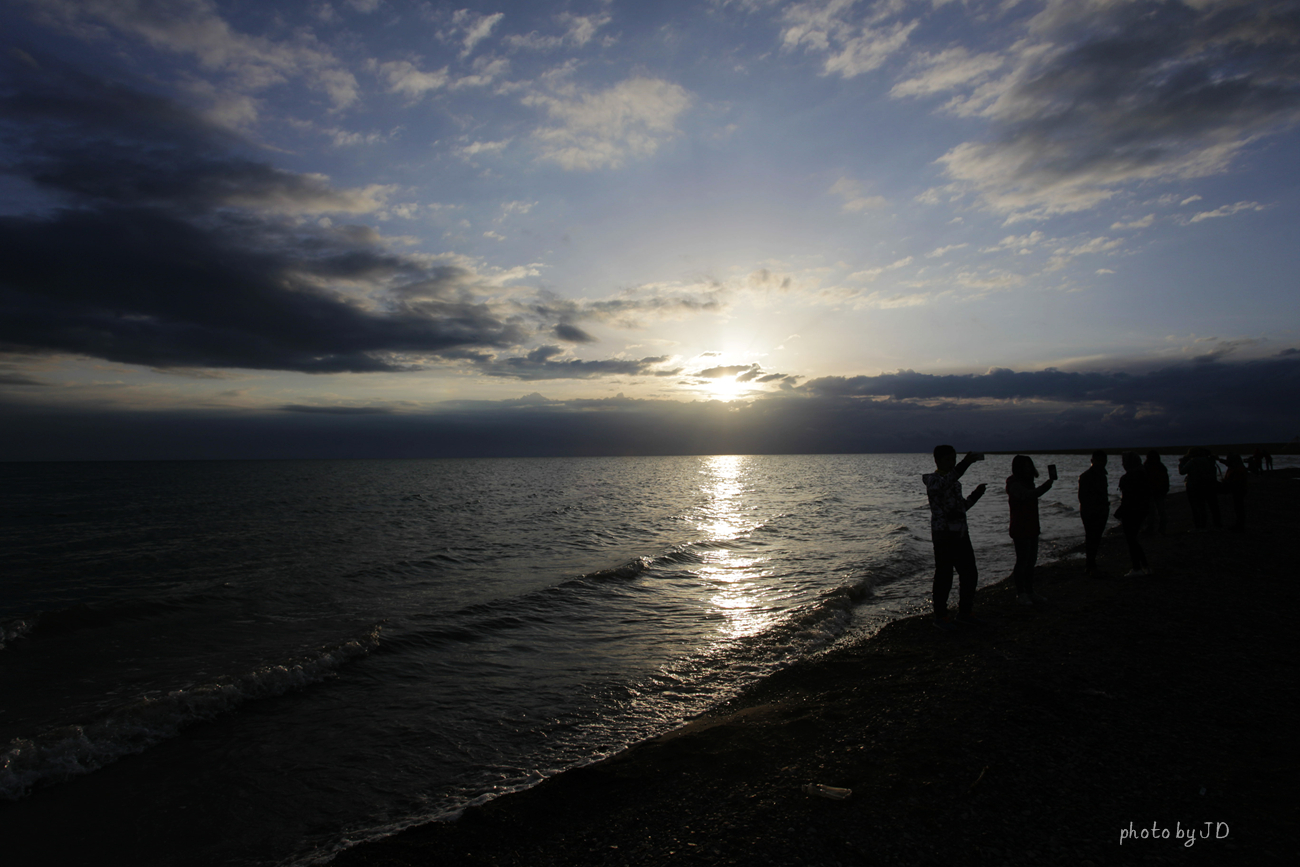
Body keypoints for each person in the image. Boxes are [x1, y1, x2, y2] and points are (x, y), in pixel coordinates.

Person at [923, 445, 988, 630]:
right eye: (948, 460)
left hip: (960, 533)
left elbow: (961, 508)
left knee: (969, 573)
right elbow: (946, 481)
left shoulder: (954, 482)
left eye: (954, 459)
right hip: (943, 535)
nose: (952, 463)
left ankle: (965, 613)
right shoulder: (933, 481)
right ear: (938, 461)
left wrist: (975, 495)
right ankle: (941, 616)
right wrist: (965, 463)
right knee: (944, 576)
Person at [1006, 455, 1054, 605]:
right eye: (1025, 466)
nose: (1027, 468)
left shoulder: (1028, 482)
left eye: (1029, 465)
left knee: (1031, 561)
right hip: (1020, 527)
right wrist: (1048, 484)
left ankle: (1030, 591)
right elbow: (1027, 496)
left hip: (1032, 525)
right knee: (1022, 561)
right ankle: (1021, 593)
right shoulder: (1013, 483)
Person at [1116, 452, 1151, 576]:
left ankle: (1137, 568)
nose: (1123, 465)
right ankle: (1144, 565)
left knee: (1131, 540)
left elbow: (1128, 498)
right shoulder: (1143, 473)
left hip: (1132, 511)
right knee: (1133, 539)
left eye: (1124, 462)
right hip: (1142, 509)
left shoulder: (1130, 477)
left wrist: (1120, 511)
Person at [1077, 450, 1110, 575]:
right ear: (1093, 461)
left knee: (1094, 538)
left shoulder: (1101, 475)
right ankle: (1090, 565)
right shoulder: (1087, 476)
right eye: (1100, 460)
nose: (1102, 463)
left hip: (1098, 510)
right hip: (1091, 511)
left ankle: (1091, 564)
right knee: (1092, 537)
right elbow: (1083, 497)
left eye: (1103, 460)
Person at [1179, 446, 1221, 531]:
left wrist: (1181, 463)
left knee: (1198, 507)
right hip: (1209, 485)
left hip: (1195, 486)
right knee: (1213, 506)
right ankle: (1217, 524)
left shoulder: (1192, 462)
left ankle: (1200, 525)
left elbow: (1182, 472)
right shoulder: (1209, 461)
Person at [1143, 450, 1170, 536]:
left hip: (1151, 491)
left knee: (1151, 511)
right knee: (1161, 510)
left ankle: (1151, 528)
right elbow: (1166, 480)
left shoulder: (1146, 467)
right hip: (1160, 491)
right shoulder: (1161, 466)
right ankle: (1162, 528)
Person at [1220, 453, 1248, 531]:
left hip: (1239, 490)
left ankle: (1240, 525)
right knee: (1238, 507)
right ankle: (1239, 524)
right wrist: (1218, 459)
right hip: (1240, 489)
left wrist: (1226, 483)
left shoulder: (1237, 469)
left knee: (1239, 507)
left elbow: (1236, 482)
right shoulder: (1237, 466)